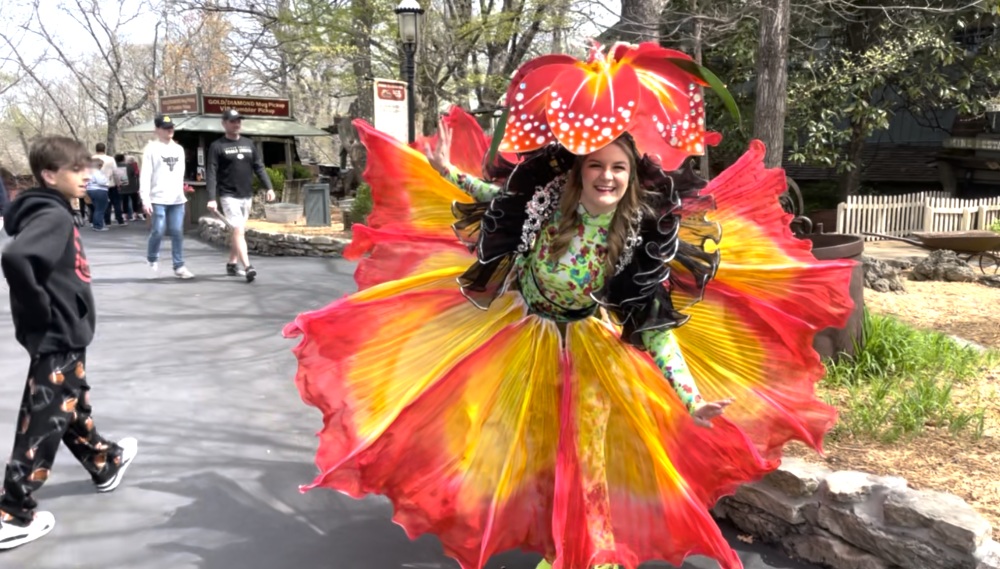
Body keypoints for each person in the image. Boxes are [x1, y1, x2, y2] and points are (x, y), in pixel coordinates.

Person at [282, 43, 858, 569]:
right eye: (595, 165)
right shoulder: (545, 201)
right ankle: (538, 532)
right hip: (521, 333)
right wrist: (444, 171)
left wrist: (691, 398)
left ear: (630, 178)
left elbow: (653, 325)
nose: (606, 176)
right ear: (579, 170)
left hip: (590, 350)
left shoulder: (638, 236)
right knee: (510, 438)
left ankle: (586, 552)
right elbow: (495, 197)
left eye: (618, 168)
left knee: (588, 456)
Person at [0, 136, 138, 550]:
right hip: (58, 331)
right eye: (77, 170)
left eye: (88, 168)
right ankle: (13, 512)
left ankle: (105, 461)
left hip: (61, 331)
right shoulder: (53, 215)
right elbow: (16, 258)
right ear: (49, 175)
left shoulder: (48, 209)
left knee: (66, 400)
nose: (87, 176)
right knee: (44, 415)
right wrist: (44, 313)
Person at [206, 109, 275, 283]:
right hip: (228, 195)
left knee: (238, 232)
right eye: (232, 121)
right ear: (224, 123)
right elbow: (212, 173)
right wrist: (212, 198)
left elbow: (258, 167)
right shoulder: (217, 146)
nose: (236, 124)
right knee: (238, 230)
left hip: (246, 194)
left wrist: (269, 187)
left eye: (238, 121)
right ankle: (248, 266)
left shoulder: (249, 143)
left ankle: (231, 263)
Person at [139, 115, 194, 279]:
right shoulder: (151, 150)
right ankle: (152, 257)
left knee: (177, 231)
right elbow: (145, 175)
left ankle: (179, 266)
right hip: (158, 198)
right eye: (165, 127)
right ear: (156, 130)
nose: (169, 130)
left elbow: (179, 173)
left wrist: (182, 190)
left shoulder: (179, 149)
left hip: (177, 199)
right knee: (158, 230)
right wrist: (145, 199)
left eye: (171, 127)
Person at [92, 143, 124, 227]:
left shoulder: (91, 159)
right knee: (116, 202)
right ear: (104, 149)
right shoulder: (111, 159)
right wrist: (119, 183)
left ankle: (107, 221)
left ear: (96, 149)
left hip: (96, 185)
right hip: (110, 183)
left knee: (103, 203)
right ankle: (120, 220)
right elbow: (116, 172)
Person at [85, 157, 111, 231]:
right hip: (99, 190)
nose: (101, 167)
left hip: (91, 190)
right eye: (101, 165)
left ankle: (96, 225)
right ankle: (99, 226)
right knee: (100, 209)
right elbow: (101, 182)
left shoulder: (89, 172)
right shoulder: (96, 172)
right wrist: (107, 181)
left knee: (97, 209)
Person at [115, 153, 141, 221]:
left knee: (124, 202)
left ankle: (125, 215)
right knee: (134, 201)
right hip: (133, 187)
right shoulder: (130, 166)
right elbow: (136, 175)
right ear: (123, 159)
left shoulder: (118, 167)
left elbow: (123, 180)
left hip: (124, 188)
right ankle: (135, 215)